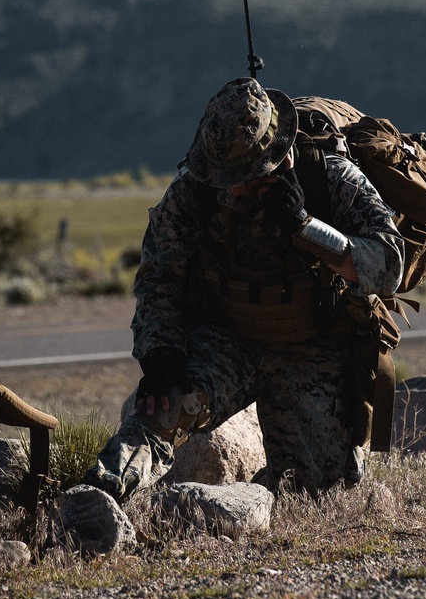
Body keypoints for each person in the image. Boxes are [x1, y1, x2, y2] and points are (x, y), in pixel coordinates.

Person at [87, 77, 405, 500]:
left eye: (247, 177)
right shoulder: (196, 189)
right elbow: (159, 279)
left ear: (280, 157)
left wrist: (306, 227)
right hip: (228, 338)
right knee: (163, 407)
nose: (235, 189)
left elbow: (388, 266)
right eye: (227, 178)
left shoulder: (329, 177)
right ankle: (98, 494)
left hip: (311, 345)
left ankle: (266, 487)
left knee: (311, 495)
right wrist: (160, 355)